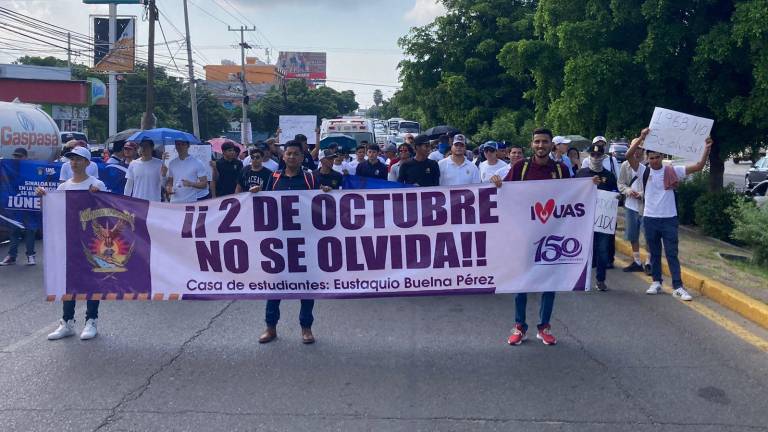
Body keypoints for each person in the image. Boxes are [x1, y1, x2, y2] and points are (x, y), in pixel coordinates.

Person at [491, 128, 600, 346]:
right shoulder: (520, 168)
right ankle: (519, 326)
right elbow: (504, 194)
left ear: (552, 145)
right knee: (521, 283)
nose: (541, 145)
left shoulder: (560, 169)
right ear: (532, 144)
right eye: (537, 142)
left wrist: (590, 186)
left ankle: (544, 326)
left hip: (552, 236)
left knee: (550, 281)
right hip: (523, 236)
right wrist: (497, 182)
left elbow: (572, 195)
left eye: (545, 142)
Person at [257, 140, 332, 344]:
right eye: (288, 153)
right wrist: (255, 195)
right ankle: (270, 327)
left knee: (306, 286)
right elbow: (262, 204)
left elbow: (320, 205)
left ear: (302, 156)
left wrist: (325, 194)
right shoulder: (273, 179)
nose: (291, 157)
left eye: (295, 154)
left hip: (305, 240)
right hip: (278, 242)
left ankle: (306, 328)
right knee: (275, 286)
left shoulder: (310, 179)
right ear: (283, 156)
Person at [625, 128, 712, 301]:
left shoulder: (672, 170)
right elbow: (628, 156)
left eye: (658, 157)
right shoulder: (644, 171)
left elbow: (699, 166)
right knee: (654, 253)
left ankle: (678, 286)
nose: (655, 160)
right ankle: (656, 282)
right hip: (650, 218)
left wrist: (706, 149)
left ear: (661, 157)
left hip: (669, 219)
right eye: (652, 158)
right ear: (647, 159)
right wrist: (641, 138)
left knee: (672, 253)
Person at [37, 145, 106, 340]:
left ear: (87, 162)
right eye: (71, 159)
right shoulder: (63, 187)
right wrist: (44, 198)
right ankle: (67, 322)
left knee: (92, 280)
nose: (74, 163)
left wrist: (97, 197)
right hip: (69, 240)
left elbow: (107, 211)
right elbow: (53, 212)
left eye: (78, 159)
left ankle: (91, 320)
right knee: (68, 280)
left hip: (92, 240)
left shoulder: (96, 184)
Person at [576, 143, 618, 291]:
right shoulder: (581, 174)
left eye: (598, 155)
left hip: (602, 221)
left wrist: (617, 197)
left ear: (603, 156)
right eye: (593, 155)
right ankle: (579, 278)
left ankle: (600, 279)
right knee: (582, 249)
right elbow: (574, 194)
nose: (595, 157)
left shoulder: (609, 176)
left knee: (602, 250)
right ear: (589, 156)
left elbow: (615, 193)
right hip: (584, 219)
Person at [0, 148, 37, 266]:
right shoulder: (10, 167)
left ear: (25, 157)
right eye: (15, 156)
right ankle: (12, 256)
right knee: (14, 229)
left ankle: (31, 256)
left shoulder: (31, 168)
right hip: (15, 203)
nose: (17, 158)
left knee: (30, 230)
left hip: (29, 203)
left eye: (19, 156)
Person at [617, 145, 650, 274]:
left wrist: (642, 194)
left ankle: (649, 262)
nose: (637, 151)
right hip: (631, 205)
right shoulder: (625, 165)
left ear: (643, 150)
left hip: (645, 206)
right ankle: (637, 261)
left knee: (648, 235)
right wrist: (628, 190)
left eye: (640, 148)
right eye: (634, 148)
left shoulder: (649, 165)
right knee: (632, 234)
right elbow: (620, 183)